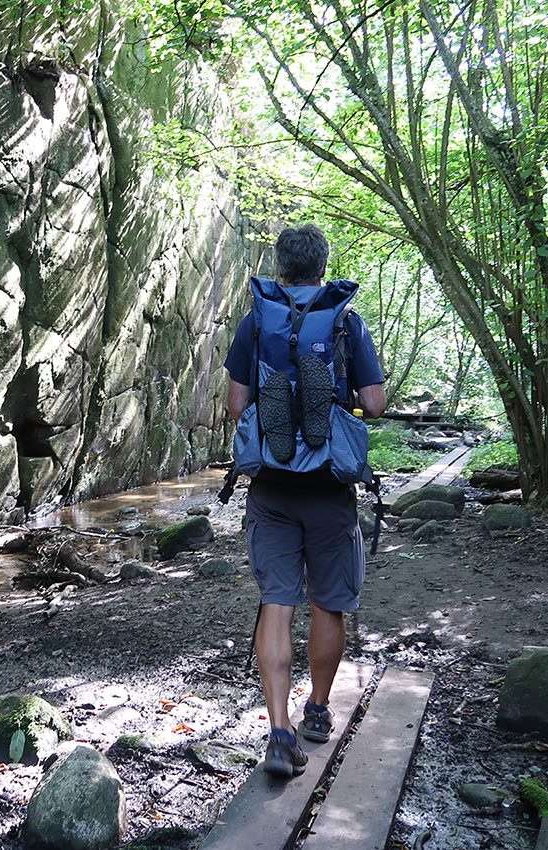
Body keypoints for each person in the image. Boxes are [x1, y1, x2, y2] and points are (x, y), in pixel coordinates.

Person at [223, 224, 387, 778]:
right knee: (328, 602)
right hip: (329, 486)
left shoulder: (256, 319)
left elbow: (234, 404)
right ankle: (317, 711)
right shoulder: (345, 319)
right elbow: (376, 402)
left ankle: (278, 730)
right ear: (323, 266)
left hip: (271, 485)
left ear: (279, 266)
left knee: (278, 599)